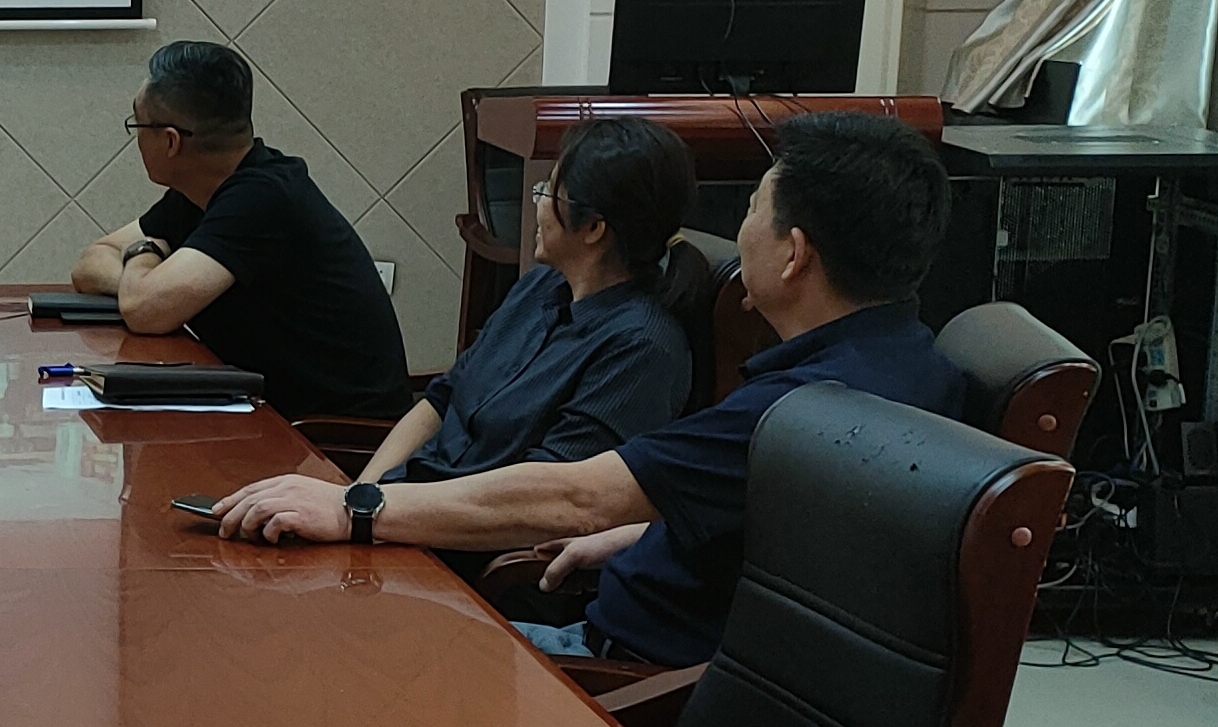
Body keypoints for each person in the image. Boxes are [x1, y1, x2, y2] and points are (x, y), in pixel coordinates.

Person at [213, 112, 968, 672]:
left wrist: (359, 508)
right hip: (624, 626)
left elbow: (578, 495)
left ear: (794, 254)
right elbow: (791, 535)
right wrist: (646, 532)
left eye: (750, 212)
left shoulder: (798, 409)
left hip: (622, 666)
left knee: (308, 658)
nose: (740, 233)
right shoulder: (913, 367)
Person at [346, 116, 700, 491]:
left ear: (593, 228)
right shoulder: (542, 283)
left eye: (548, 192)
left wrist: (381, 511)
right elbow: (443, 397)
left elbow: (542, 497)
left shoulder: (641, 349)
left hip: (462, 522)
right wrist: (360, 494)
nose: (538, 205)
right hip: (402, 500)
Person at [68, 40, 411, 420]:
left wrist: (142, 253)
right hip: (270, 412)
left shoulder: (262, 197)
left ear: (170, 141)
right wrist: (148, 278)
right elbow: (90, 264)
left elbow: (143, 310)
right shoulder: (201, 190)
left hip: (336, 435)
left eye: (137, 125)